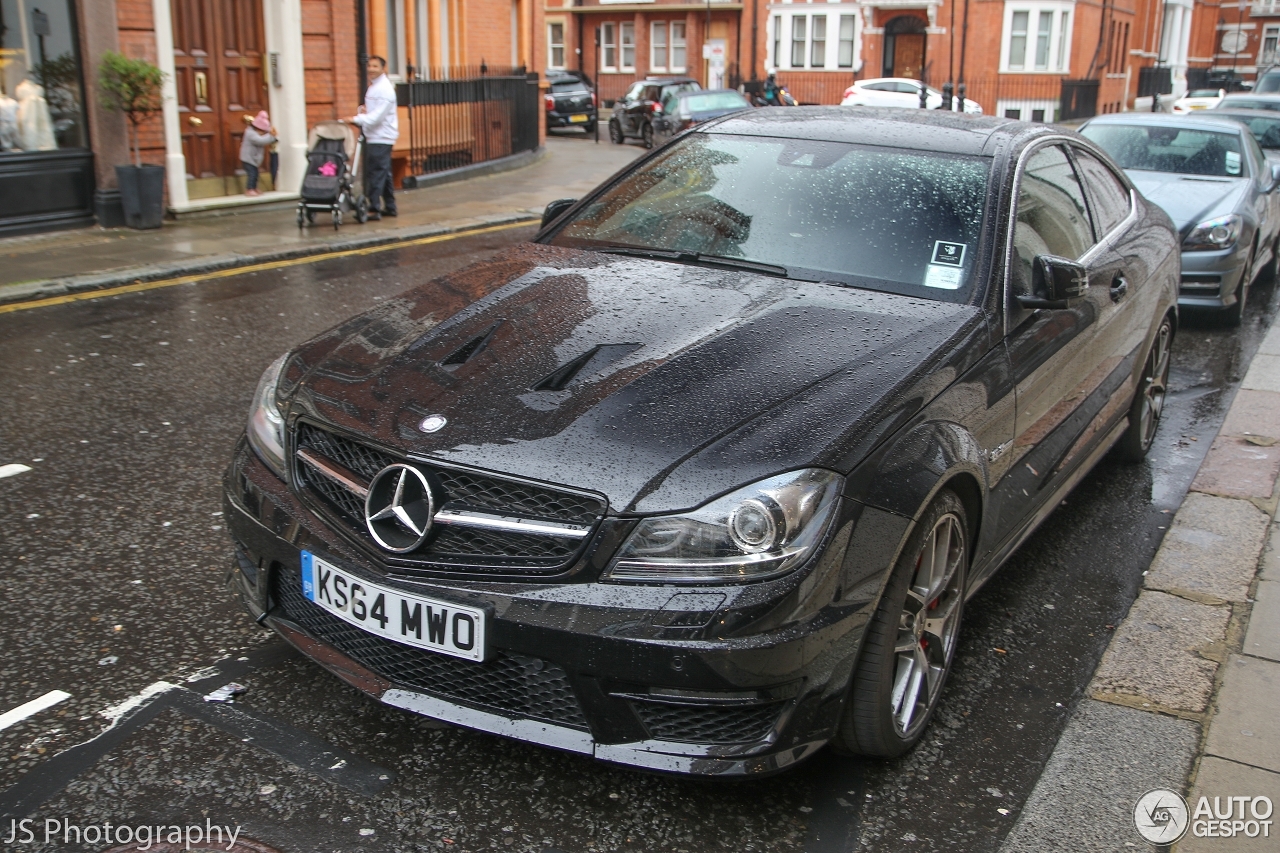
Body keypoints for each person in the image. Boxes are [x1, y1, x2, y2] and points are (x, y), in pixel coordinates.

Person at [349, 55, 399, 219]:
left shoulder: (384, 89)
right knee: (384, 173)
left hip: (381, 137)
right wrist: (362, 111)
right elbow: (371, 112)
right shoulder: (374, 86)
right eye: (369, 65)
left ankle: (374, 209)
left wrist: (355, 119)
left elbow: (376, 118)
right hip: (375, 135)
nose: (371, 69)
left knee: (376, 173)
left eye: (375, 66)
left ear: (383, 69)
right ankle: (390, 207)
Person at [240, 110, 276, 197]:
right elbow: (260, 141)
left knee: (256, 173)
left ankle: (254, 187)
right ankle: (250, 189)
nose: (263, 133)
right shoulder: (250, 134)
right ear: (257, 128)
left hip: (253, 159)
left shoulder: (255, 132)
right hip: (248, 158)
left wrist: (272, 134)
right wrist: (271, 136)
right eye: (262, 131)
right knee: (252, 174)